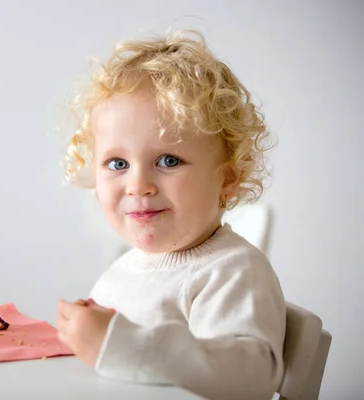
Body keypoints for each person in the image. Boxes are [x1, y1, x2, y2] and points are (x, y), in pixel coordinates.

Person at [56, 30, 286, 400]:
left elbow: (252, 378)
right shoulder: (130, 267)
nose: (138, 185)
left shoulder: (231, 272)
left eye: (168, 160)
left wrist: (121, 344)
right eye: (118, 163)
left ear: (229, 176)